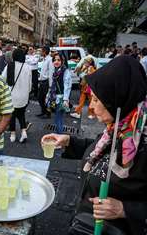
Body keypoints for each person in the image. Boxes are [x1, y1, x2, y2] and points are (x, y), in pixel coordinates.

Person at [42, 56, 147, 235]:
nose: (91, 107)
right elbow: (104, 150)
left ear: (119, 101)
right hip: (86, 223)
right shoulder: (118, 128)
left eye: (97, 101)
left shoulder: (140, 142)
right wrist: (69, 141)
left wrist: (125, 209)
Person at [2, 48, 32, 143]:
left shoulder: (9, 66)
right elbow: (30, 84)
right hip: (23, 96)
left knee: (12, 115)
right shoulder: (27, 67)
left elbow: (2, 79)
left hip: (12, 95)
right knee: (21, 114)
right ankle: (23, 132)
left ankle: (13, 134)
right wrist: (27, 93)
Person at [46, 52, 72, 134]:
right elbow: (53, 86)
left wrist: (65, 99)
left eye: (59, 60)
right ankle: (59, 135)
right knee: (57, 118)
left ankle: (59, 137)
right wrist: (48, 95)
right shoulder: (56, 70)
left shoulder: (65, 71)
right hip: (55, 97)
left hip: (61, 98)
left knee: (59, 118)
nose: (56, 62)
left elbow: (67, 86)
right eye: (54, 60)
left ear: (63, 61)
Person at [37, 46, 54, 118]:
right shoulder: (44, 59)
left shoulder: (50, 60)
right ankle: (43, 111)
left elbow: (51, 73)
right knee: (40, 98)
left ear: (44, 52)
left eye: (41, 51)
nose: (40, 52)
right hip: (42, 82)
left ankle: (48, 113)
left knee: (46, 99)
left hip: (46, 82)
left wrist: (50, 85)